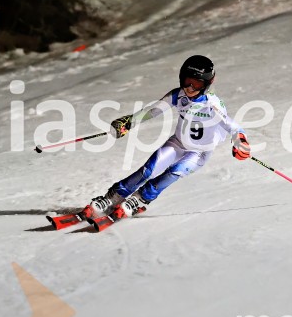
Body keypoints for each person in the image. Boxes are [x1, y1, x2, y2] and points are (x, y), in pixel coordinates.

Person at [80, 55, 251, 224]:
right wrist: (130, 121)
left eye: (197, 84)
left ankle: (140, 199)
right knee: (148, 170)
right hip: (178, 142)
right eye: (187, 81)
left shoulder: (212, 104)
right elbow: (153, 111)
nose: (190, 88)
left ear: (206, 84)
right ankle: (113, 197)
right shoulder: (178, 95)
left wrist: (240, 142)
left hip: (200, 152)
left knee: (173, 172)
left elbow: (234, 127)